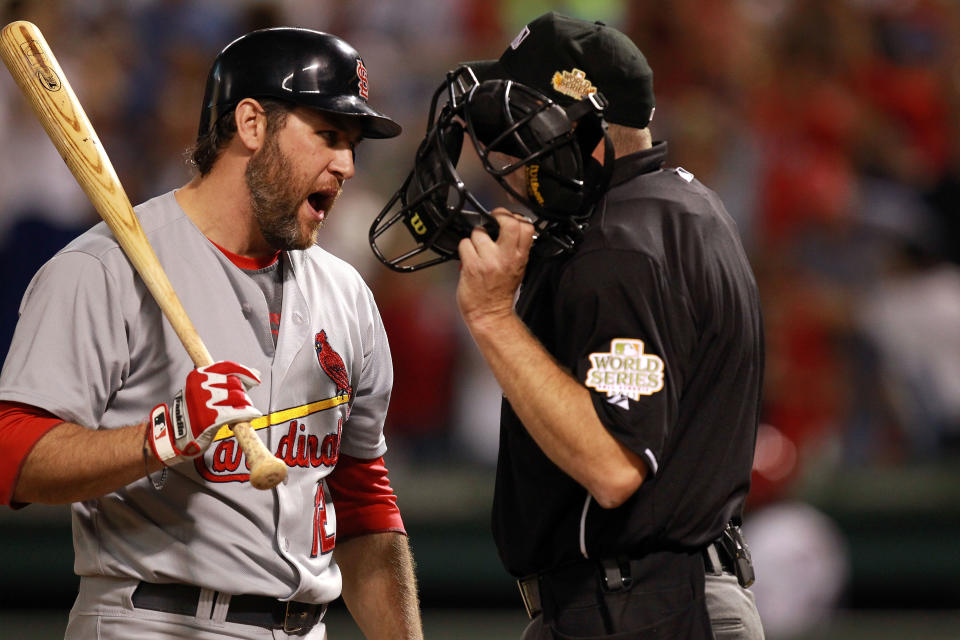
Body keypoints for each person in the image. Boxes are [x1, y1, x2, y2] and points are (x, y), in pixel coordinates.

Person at [0, 27, 423, 640]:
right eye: (329, 136)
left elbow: (360, 497)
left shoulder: (347, 293)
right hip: (151, 618)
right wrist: (163, 434)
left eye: (352, 144)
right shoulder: (103, 269)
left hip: (307, 625)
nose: (348, 165)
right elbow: (13, 454)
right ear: (251, 123)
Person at [372, 11, 765, 639]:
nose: (498, 151)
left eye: (518, 127)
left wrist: (492, 316)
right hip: (664, 596)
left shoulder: (620, 247)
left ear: (586, 134)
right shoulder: (683, 206)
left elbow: (613, 465)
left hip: (639, 607)